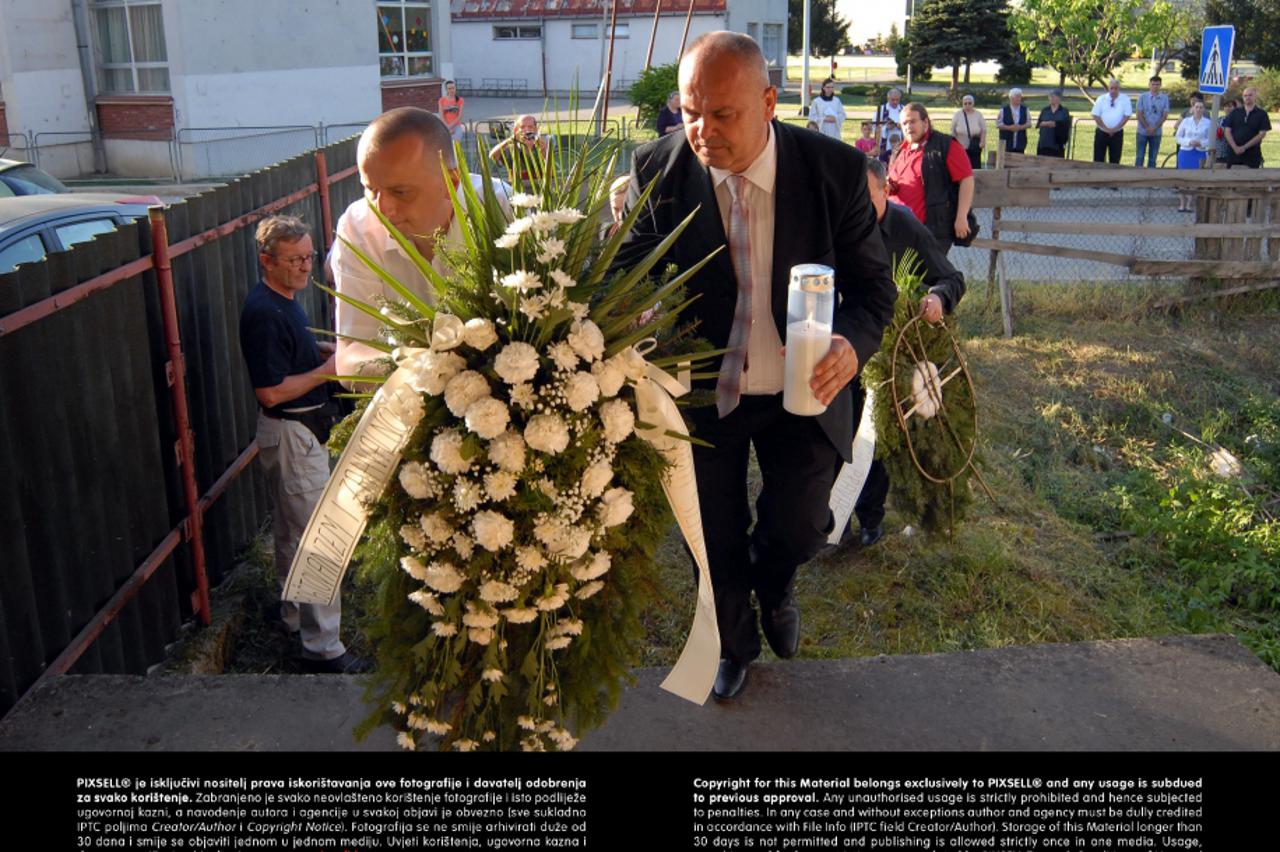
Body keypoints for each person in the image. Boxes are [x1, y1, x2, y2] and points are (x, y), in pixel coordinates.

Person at [617, 31, 895, 701]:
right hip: (701, 389)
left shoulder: (832, 172)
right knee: (707, 538)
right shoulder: (658, 166)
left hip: (802, 385)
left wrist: (851, 345)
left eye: (721, 114)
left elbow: (874, 291)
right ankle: (734, 645)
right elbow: (629, 271)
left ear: (768, 102)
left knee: (800, 526)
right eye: (690, 111)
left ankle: (774, 586)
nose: (701, 131)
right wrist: (631, 308)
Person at [239, 215, 369, 674]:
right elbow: (270, 390)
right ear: (266, 261)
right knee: (320, 540)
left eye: (309, 256)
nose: (304, 267)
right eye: (293, 259)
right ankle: (324, 648)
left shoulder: (285, 301)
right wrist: (327, 372)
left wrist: (326, 354)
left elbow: (293, 355)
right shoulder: (263, 314)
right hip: (292, 433)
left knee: (293, 533)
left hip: (296, 433)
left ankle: (292, 616)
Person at [331, 107, 509, 380]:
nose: (383, 209)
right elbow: (349, 357)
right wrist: (426, 367)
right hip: (407, 411)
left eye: (400, 192)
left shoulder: (503, 211)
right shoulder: (358, 229)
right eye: (371, 189)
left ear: (451, 180)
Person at [852, 158, 966, 546]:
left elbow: (952, 278)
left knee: (878, 435)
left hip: (887, 353)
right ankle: (827, 518)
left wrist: (937, 297)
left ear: (886, 191)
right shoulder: (838, 224)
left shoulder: (905, 228)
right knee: (834, 431)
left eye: (867, 198)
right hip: (842, 343)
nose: (859, 208)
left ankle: (870, 519)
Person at [886, 102, 976, 253]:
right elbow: (894, 183)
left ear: (925, 122)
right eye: (904, 123)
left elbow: (966, 180)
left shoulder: (945, 145)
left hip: (931, 231)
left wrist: (962, 217)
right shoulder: (899, 151)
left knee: (927, 276)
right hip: (898, 229)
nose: (908, 127)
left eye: (913, 121)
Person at [1174, 98, 1212, 211]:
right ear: (1192, 109)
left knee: (1194, 179)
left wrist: (1201, 143)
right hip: (1186, 152)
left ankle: (1190, 204)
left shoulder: (1208, 123)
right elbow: (1178, 137)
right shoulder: (1186, 121)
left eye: (1201, 107)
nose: (1199, 109)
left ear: (1204, 109)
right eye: (1197, 107)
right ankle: (1182, 203)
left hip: (1199, 153)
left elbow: (1210, 139)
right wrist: (1188, 142)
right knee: (1182, 178)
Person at [1224, 87, 1271, 169]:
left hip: (1252, 155)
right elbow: (1227, 131)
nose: (1247, 97)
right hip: (1233, 155)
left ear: (1255, 96)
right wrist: (1235, 147)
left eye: (1250, 95)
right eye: (1245, 95)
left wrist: (1244, 147)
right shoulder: (1235, 112)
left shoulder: (1262, 114)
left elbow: (1262, 134)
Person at [1091, 79, 1132, 164]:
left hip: (1117, 134)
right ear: (1108, 88)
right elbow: (1095, 115)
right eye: (1111, 88)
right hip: (1101, 132)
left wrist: (1115, 129)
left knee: (1115, 159)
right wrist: (1106, 129)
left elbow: (1127, 116)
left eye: (1116, 88)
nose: (1113, 90)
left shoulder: (1125, 99)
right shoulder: (1101, 99)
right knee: (1098, 158)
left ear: (1119, 89)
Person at [1135, 75, 1170, 168]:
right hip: (1142, 132)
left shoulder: (1164, 98)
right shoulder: (1142, 97)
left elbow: (1165, 115)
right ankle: (1137, 176)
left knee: (1153, 158)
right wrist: (1147, 127)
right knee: (1140, 156)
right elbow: (1139, 114)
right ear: (1149, 85)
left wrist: (1154, 128)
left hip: (1156, 132)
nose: (1155, 86)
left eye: (1157, 84)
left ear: (1160, 85)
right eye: (1153, 84)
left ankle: (1151, 177)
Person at [950, 93, 987, 169]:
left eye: (969, 103)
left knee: (975, 167)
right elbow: (952, 130)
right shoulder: (957, 114)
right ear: (962, 104)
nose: (967, 105)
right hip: (961, 146)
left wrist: (982, 142)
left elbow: (984, 129)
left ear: (973, 104)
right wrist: (953, 144)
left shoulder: (978, 114)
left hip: (975, 146)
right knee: (962, 167)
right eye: (965, 103)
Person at [1035, 89, 1071, 158]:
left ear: (1059, 98)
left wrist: (1055, 124)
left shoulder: (1064, 111)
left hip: (1057, 145)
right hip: (1044, 143)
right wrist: (1047, 123)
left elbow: (1065, 124)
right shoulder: (1045, 110)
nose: (1051, 99)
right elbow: (1039, 123)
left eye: (1053, 97)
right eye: (1050, 97)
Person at [996, 88, 1031, 154]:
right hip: (1006, 142)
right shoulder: (1003, 110)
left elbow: (1029, 123)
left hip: (1020, 142)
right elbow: (998, 124)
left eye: (1020, 96)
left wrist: (1020, 127)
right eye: (1017, 96)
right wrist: (1009, 127)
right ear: (1011, 98)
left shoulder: (1025, 110)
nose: (1019, 98)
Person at [876, 87, 904, 162]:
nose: (895, 102)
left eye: (897, 100)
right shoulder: (881, 110)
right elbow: (875, 127)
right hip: (885, 143)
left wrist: (902, 127)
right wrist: (886, 128)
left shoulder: (904, 109)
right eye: (892, 100)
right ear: (888, 98)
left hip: (900, 141)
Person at [438, 80, 465, 144]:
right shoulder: (441, 100)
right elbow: (441, 115)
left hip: (456, 127)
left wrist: (450, 127)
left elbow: (460, 116)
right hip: (445, 127)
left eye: (453, 88)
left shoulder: (460, 100)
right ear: (446, 90)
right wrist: (447, 127)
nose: (452, 90)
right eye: (449, 88)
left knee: (456, 147)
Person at [1214, 99, 1237, 166]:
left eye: (1230, 106)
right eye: (1226, 106)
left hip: (1231, 152)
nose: (1227, 108)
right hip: (1219, 153)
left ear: (1235, 108)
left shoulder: (1237, 120)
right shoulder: (1219, 120)